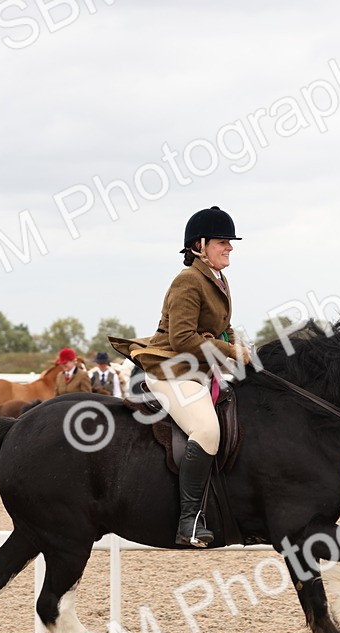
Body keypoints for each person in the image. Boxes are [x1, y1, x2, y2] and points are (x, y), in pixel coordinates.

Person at [109, 206, 253, 548]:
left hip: (198, 369)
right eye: (222, 242)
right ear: (200, 245)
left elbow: (221, 328)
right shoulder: (188, 280)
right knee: (206, 430)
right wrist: (231, 352)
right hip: (171, 369)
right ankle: (189, 521)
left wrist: (241, 350)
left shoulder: (218, 280)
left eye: (230, 242)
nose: (229, 247)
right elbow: (183, 339)